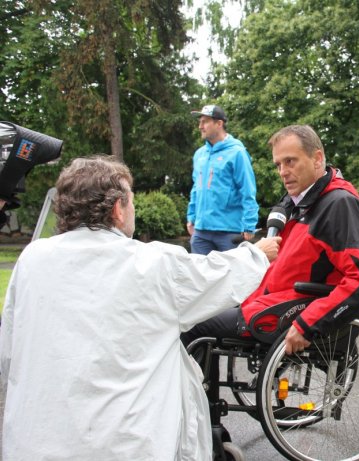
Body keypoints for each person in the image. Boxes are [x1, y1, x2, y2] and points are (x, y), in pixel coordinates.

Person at [0, 156, 280, 460]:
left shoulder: (32, 259)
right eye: (131, 201)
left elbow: (9, 351)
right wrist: (257, 254)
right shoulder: (150, 263)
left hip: (33, 443)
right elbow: (217, 274)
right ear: (118, 209)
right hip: (124, 446)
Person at [181, 124, 359, 355]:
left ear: (317, 159)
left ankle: (193, 391)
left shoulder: (338, 205)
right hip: (268, 298)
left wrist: (308, 324)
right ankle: (201, 389)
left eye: (290, 161)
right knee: (195, 306)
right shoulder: (301, 202)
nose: (282, 172)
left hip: (286, 310)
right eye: (278, 164)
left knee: (191, 323)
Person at [187, 104, 259, 255]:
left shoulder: (237, 153)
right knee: (199, 276)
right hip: (201, 232)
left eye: (205, 121)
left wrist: (249, 224)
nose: (200, 126)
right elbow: (196, 188)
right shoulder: (199, 155)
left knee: (233, 277)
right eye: (199, 122)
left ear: (219, 123)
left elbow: (248, 190)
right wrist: (191, 217)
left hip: (229, 232)